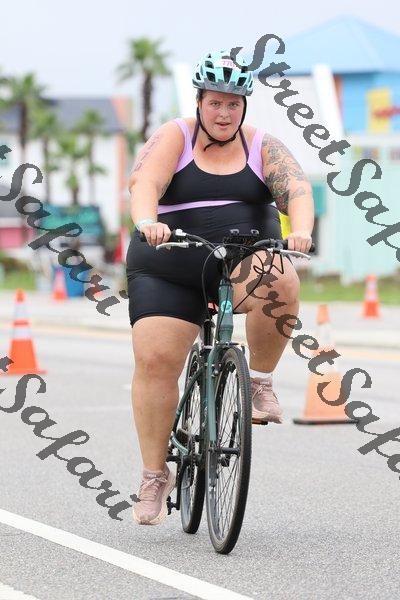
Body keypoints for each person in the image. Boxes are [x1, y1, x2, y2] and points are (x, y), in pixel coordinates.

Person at [126, 50, 314, 525]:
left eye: (233, 104)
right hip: (168, 266)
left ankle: (260, 383)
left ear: (244, 106)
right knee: (155, 361)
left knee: (281, 276)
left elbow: (297, 189)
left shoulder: (262, 146)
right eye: (215, 103)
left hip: (239, 262)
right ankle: (154, 475)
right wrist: (148, 222)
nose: (224, 113)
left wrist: (301, 230)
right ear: (199, 102)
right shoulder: (175, 137)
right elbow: (144, 183)